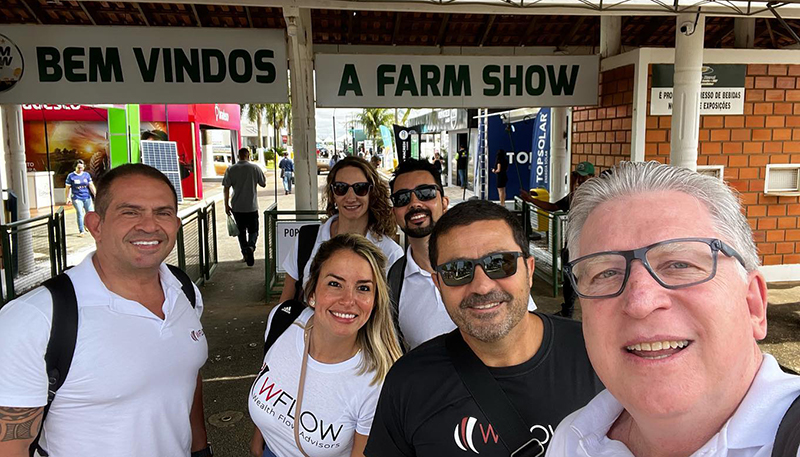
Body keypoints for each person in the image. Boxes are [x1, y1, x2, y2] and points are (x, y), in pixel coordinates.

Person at [546, 161, 800, 457]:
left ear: (753, 304)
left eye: (680, 264)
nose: (641, 303)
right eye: (606, 273)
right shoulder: (571, 439)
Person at [0, 164, 210, 457]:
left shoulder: (184, 289)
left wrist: (201, 450)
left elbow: (186, 378)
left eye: (163, 212)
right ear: (95, 225)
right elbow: (11, 446)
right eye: (130, 212)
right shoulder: (34, 319)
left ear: (176, 223)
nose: (149, 226)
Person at [366, 200, 603, 457]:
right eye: (457, 270)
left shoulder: (598, 354)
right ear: (438, 283)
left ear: (529, 270)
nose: (482, 286)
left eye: (500, 263)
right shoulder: (408, 382)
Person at [249, 234, 403, 457]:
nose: (348, 300)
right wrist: (258, 441)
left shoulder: (376, 380)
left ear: (375, 301)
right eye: (334, 284)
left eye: (363, 288)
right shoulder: (282, 320)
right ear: (312, 293)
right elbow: (267, 375)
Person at [388, 160, 537, 349]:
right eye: (402, 198)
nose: (415, 203)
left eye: (426, 193)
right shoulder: (393, 281)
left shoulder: (493, 263)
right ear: (394, 212)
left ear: (444, 202)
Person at [280, 156, 404, 303]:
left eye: (360, 188)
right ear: (332, 195)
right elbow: (285, 302)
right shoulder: (307, 239)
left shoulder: (390, 253)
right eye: (341, 188)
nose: (351, 197)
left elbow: (389, 313)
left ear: (372, 192)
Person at [520, 160, 595, 318]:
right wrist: (531, 199)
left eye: (584, 177)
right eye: (577, 176)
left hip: (590, 245)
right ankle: (567, 310)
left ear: (592, 177)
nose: (580, 180)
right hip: (572, 244)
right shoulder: (575, 195)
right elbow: (554, 207)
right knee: (569, 278)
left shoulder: (594, 196)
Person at [224, 147, 267, 266]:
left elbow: (226, 188)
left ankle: (245, 253)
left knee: (241, 233)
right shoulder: (255, 168)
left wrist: (226, 205)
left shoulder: (231, 169)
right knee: (254, 231)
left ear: (238, 156)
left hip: (237, 207)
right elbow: (263, 183)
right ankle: (251, 246)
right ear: (248, 156)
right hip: (251, 206)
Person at [64, 159, 96, 237]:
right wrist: (67, 198)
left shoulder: (86, 175)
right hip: (77, 197)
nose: (80, 169)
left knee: (90, 212)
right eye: (79, 168)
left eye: (82, 167)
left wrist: (96, 194)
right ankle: (81, 230)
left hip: (86, 196)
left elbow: (91, 185)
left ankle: (86, 224)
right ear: (75, 167)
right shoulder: (71, 176)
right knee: (80, 213)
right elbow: (67, 188)